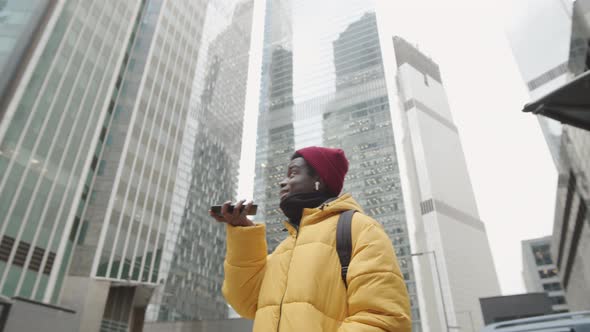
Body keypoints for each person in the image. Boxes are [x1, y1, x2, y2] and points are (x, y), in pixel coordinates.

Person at [209, 146, 411, 331]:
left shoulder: (361, 229)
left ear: (319, 180)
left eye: (293, 173)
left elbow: (383, 320)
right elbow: (245, 302)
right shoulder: (284, 248)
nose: (283, 182)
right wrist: (242, 230)